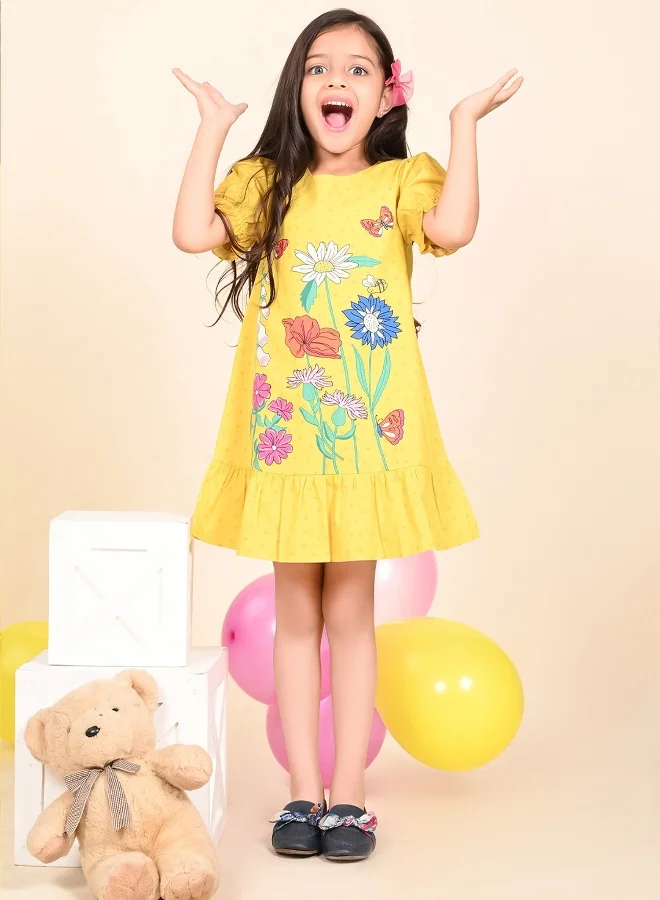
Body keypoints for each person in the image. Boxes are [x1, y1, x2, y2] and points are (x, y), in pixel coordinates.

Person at [172, 7, 522, 863]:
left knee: (351, 616)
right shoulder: (266, 181)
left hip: (367, 440)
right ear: (298, 88)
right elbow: (192, 233)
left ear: (387, 93)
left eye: (359, 69)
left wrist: (464, 124)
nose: (337, 81)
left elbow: (454, 229)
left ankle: (351, 798)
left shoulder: (403, 182)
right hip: (288, 437)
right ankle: (302, 792)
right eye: (320, 67)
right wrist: (213, 127)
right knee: (297, 617)